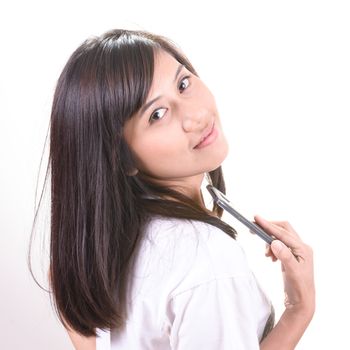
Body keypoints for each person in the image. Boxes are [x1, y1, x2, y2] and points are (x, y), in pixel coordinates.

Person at [44, 29, 315, 349]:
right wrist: (299, 311)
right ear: (121, 158)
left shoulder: (93, 253)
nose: (196, 116)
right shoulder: (207, 260)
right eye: (157, 115)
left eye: (183, 84)